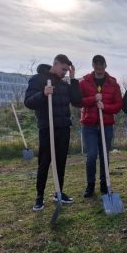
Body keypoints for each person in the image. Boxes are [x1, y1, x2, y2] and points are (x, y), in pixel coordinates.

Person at [24, 54, 82, 211]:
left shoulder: (64, 84)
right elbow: (28, 102)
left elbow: (77, 101)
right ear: (55, 64)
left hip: (63, 128)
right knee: (44, 162)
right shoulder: (38, 79)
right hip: (47, 128)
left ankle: (58, 192)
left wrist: (73, 79)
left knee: (61, 161)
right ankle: (39, 196)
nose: (64, 72)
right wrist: (43, 93)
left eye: (66, 70)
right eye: (63, 69)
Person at [79, 55, 123, 197]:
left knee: (105, 155)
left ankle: (104, 183)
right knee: (91, 155)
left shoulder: (113, 84)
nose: (98, 68)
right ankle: (90, 185)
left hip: (106, 125)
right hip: (89, 125)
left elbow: (118, 106)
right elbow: (77, 101)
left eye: (101, 65)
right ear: (93, 65)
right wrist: (93, 99)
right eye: (96, 65)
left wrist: (105, 107)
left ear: (105, 65)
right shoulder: (84, 82)